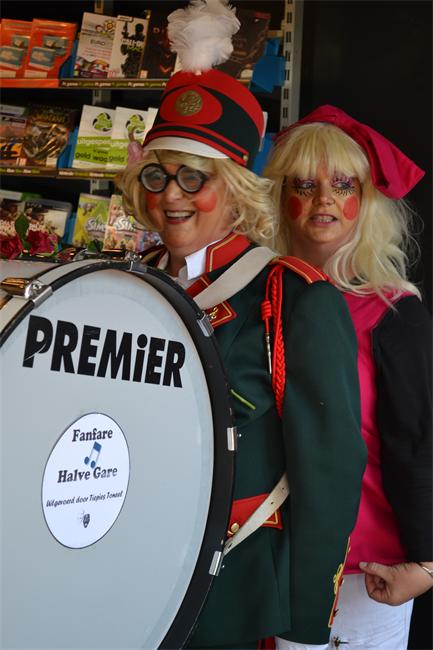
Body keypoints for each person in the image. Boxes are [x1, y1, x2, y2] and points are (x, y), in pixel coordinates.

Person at [118, 3, 366, 647]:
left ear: (232, 186)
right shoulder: (125, 290)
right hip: (126, 573)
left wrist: (304, 626)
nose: (170, 195)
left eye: (193, 177)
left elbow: (330, 474)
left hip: (233, 590)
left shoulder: (294, 300)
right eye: (157, 175)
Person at [265, 104, 432, 649]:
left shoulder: (393, 312)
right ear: (280, 197)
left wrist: (427, 560)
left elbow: (417, 443)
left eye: (343, 185)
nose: (324, 200)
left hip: (363, 573)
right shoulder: (252, 300)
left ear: (366, 199)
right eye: (304, 184)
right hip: (258, 562)